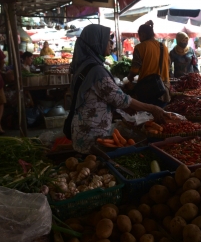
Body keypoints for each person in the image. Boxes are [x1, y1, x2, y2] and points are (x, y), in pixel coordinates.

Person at [69, 24, 166, 153]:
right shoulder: (96, 71)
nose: (111, 43)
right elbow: (121, 99)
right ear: (96, 42)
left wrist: (123, 107)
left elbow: (101, 97)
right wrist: (152, 108)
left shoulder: (84, 65)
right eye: (108, 40)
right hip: (92, 137)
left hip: (83, 130)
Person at [127, 21, 171, 107]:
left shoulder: (140, 47)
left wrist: (129, 78)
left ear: (142, 35)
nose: (139, 38)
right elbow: (168, 65)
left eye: (139, 36)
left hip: (148, 91)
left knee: (147, 118)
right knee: (161, 117)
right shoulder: (163, 47)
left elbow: (134, 70)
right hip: (164, 90)